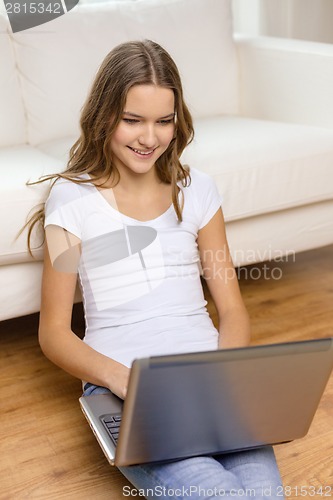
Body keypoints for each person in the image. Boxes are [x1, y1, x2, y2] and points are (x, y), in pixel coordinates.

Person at [26, 40, 284, 499]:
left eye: (164, 121)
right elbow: (54, 333)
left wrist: (227, 377)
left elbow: (233, 311)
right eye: (132, 120)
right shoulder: (72, 201)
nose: (150, 137)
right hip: (127, 388)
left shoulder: (198, 190)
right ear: (104, 115)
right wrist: (126, 381)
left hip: (209, 385)